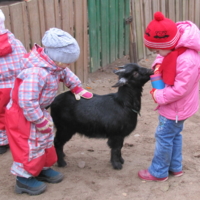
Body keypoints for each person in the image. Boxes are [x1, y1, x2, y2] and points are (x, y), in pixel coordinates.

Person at [5, 27, 93, 195]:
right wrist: (40, 121)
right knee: (29, 145)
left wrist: (76, 87)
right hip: (23, 116)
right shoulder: (36, 73)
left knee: (44, 139)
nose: (67, 65)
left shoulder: (54, 65)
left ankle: (41, 168)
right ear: (56, 58)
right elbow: (27, 102)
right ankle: (23, 179)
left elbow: (65, 73)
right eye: (66, 62)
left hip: (38, 111)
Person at [138, 11, 200, 181]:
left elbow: (181, 89)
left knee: (164, 136)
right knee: (174, 135)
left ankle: (158, 172)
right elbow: (162, 56)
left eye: (158, 49)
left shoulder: (187, 60)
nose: (157, 52)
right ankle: (175, 167)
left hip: (176, 108)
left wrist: (160, 95)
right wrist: (158, 64)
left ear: (169, 44)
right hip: (178, 108)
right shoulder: (175, 47)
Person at [0, 9, 27, 154]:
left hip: (1, 88)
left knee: (1, 114)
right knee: (16, 112)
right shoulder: (15, 42)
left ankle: (2, 142)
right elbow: (24, 60)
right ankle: (19, 137)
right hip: (16, 85)